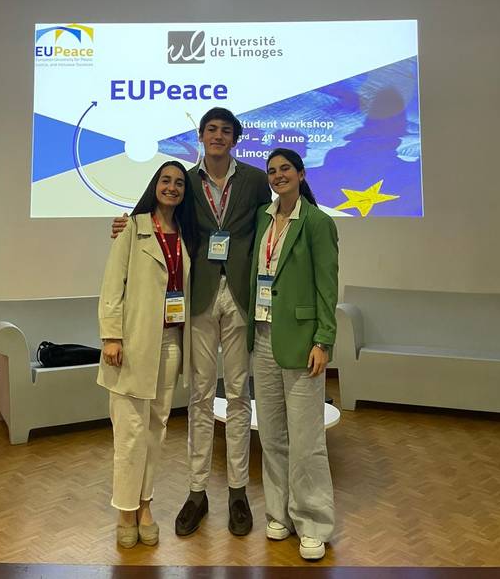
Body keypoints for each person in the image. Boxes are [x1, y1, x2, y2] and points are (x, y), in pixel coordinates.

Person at [112, 107, 271, 536]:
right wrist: (125, 223)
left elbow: (271, 226)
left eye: (226, 131)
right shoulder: (184, 179)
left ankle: (237, 492)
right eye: (211, 130)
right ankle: (197, 492)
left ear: (235, 138)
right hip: (196, 297)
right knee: (200, 396)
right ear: (201, 136)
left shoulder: (256, 181)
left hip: (239, 296)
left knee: (238, 395)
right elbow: (160, 214)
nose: (218, 136)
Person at [98, 160, 198, 548]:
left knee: (156, 429)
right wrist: (111, 336)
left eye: (179, 183)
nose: (171, 187)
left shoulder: (187, 234)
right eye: (165, 181)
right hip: (133, 343)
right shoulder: (132, 228)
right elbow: (112, 286)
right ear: (154, 185)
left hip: (171, 343)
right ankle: (124, 510)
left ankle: (144, 505)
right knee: (129, 431)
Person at [248, 148, 338, 561]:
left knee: (307, 441)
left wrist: (324, 341)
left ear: (300, 174)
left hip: (303, 343)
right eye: (272, 171)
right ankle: (279, 513)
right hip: (263, 338)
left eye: (285, 169)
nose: (278, 175)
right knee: (272, 436)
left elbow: (327, 287)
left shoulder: (317, 223)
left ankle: (313, 522)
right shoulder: (263, 218)